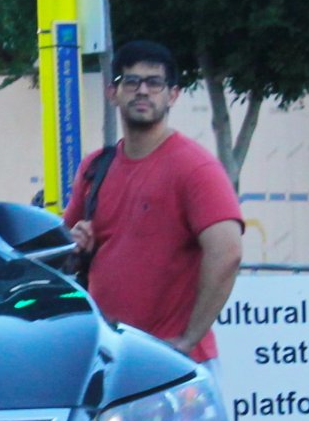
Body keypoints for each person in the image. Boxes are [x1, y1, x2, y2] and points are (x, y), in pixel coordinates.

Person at [63, 40, 243, 375]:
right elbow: (62, 248)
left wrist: (188, 340)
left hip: (175, 363)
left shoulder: (195, 168)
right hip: (110, 359)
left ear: (172, 95)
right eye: (131, 81)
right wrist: (75, 244)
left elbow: (228, 252)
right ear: (112, 93)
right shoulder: (95, 168)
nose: (142, 91)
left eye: (154, 83)